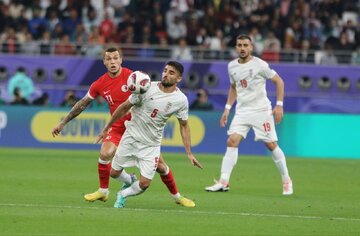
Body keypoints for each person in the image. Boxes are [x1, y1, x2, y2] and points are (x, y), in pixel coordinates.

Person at [52, 47, 196, 207]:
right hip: (120, 127)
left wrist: (189, 152)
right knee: (105, 154)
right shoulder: (100, 83)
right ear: (104, 62)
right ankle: (105, 190)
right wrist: (63, 122)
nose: (112, 62)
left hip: (141, 129)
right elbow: (82, 104)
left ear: (121, 60)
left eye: (115, 58)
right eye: (109, 59)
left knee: (161, 168)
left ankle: (177, 196)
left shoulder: (135, 77)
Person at [95, 61, 203, 208]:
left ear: (179, 79)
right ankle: (130, 180)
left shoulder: (181, 100)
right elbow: (124, 107)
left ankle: (123, 195)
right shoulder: (146, 88)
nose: (166, 74)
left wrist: (189, 153)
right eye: (165, 70)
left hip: (151, 144)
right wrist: (107, 127)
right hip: (131, 137)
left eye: (171, 73)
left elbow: (184, 125)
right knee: (113, 173)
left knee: (145, 184)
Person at [205, 34, 293, 195]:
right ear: (236, 47)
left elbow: (279, 81)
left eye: (246, 45)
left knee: (271, 145)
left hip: (261, 111)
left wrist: (279, 105)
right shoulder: (232, 66)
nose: (243, 48)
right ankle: (224, 181)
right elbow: (234, 87)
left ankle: (286, 179)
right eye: (239, 45)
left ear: (251, 47)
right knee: (232, 141)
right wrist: (227, 108)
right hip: (242, 111)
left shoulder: (260, 65)